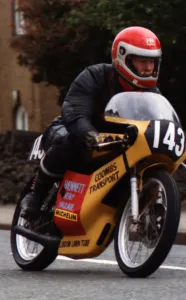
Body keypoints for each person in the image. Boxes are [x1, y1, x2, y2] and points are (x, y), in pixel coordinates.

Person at [20, 26, 163, 216]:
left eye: (152, 62)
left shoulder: (152, 93)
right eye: (142, 61)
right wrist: (89, 133)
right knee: (67, 140)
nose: (148, 68)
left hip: (116, 144)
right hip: (76, 131)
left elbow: (158, 123)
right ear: (123, 58)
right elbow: (75, 109)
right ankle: (35, 195)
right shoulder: (95, 76)